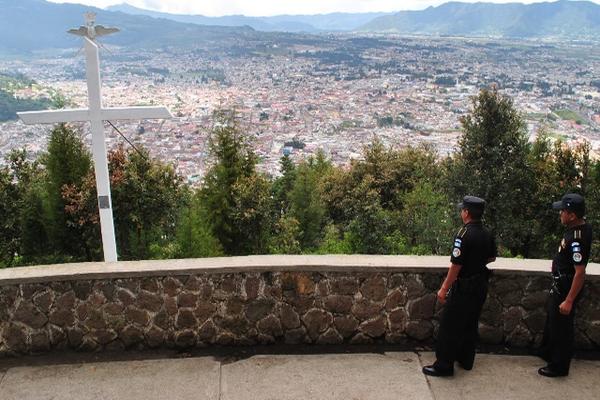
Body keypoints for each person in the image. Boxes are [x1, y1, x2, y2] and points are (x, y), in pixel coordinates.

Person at [422, 195, 497, 377]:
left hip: (464, 287)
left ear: (466, 213)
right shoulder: (487, 234)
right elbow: (492, 258)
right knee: (470, 324)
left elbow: (456, 265)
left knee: (450, 326)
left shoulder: (463, 234)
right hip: (480, 284)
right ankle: (465, 359)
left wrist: (444, 288)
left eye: (462, 209)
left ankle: (444, 365)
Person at [537, 193, 592, 377]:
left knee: (562, 328)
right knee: (554, 322)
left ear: (572, 215)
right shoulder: (575, 229)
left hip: (567, 286)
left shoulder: (577, 237)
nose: (560, 213)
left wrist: (569, 300)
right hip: (562, 281)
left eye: (563, 211)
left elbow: (580, 271)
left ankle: (558, 367)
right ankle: (547, 352)